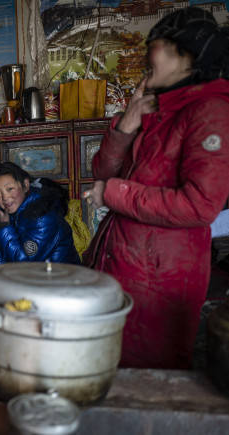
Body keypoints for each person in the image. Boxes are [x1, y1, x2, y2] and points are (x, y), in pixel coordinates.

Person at [82, 7, 229, 369]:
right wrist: (126, 127)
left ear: (187, 56)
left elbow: (200, 206)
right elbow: (101, 169)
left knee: (147, 377)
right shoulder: (157, 109)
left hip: (159, 277)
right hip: (124, 262)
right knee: (111, 365)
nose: (147, 55)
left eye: (156, 46)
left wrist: (112, 193)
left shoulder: (209, 111)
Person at [0, 162, 80, 279]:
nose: (4, 198)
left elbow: (23, 264)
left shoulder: (42, 217)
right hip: (40, 280)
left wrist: (4, 226)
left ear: (25, 185)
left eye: (10, 189)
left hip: (60, 284)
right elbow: (5, 255)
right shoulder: (17, 212)